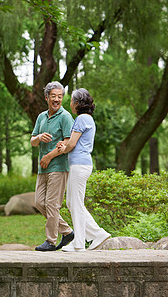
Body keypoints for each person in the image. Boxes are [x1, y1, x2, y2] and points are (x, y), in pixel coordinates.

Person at [56, 88, 111, 252]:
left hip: (79, 164)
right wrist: (64, 146)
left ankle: (79, 242)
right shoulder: (87, 119)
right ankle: (97, 233)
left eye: (72, 101)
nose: (70, 103)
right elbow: (73, 143)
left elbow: (71, 144)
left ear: (78, 103)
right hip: (81, 164)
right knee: (72, 203)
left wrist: (62, 148)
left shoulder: (81, 119)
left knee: (76, 204)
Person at [30, 81, 75, 252]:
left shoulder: (65, 116)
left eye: (60, 96)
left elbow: (68, 141)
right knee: (40, 202)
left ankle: (50, 241)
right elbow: (33, 141)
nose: (57, 99)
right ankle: (67, 231)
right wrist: (40, 136)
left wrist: (49, 156)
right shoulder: (41, 117)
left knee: (52, 204)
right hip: (43, 167)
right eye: (53, 96)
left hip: (58, 165)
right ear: (47, 97)